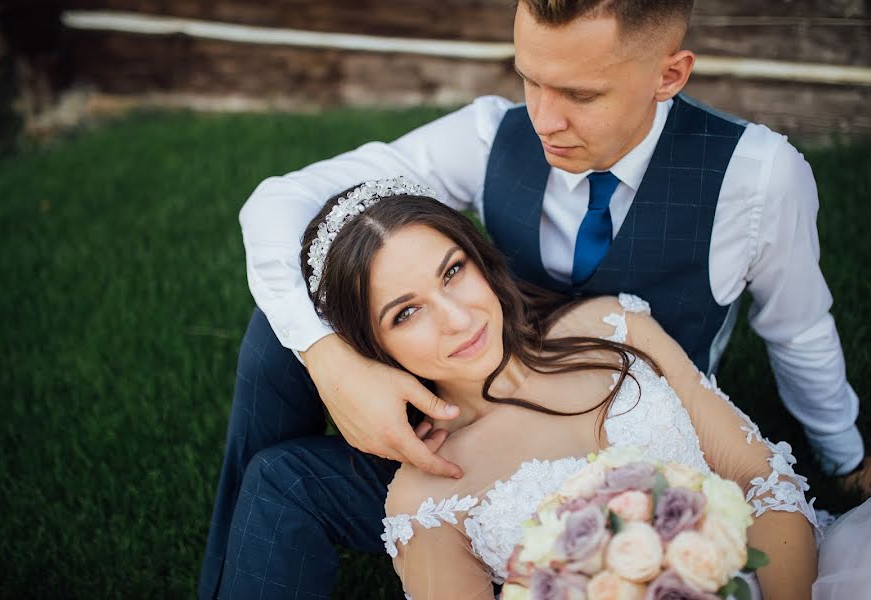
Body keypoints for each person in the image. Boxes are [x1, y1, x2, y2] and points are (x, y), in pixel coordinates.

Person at [198, 1, 871, 597]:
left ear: (669, 76)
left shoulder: (758, 177)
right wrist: (332, 363)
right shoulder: (490, 134)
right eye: (529, 79)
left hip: (641, 408)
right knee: (277, 339)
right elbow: (277, 203)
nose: (544, 118)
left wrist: (844, 458)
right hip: (461, 440)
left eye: (580, 95)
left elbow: (797, 328)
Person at [307, 180, 819, 598]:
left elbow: (761, 478)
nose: (457, 318)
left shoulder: (611, 326)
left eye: (453, 271)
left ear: (479, 259)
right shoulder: (426, 497)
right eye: (406, 312)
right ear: (371, 348)